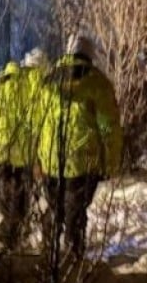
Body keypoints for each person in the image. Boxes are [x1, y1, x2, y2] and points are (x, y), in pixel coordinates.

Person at [37, 35, 122, 256]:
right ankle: (73, 259)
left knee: (56, 210)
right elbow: (108, 127)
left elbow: (38, 122)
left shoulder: (48, 80)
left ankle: (48, 256)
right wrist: (110, 164)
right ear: (90, 55)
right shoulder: (98, 83)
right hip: (82, 161)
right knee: (75, 213)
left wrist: (39, 159)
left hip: (50, 160)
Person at [0, 47, 49, 248]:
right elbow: (40, 126)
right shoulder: (36, 85)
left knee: (3, 207)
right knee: (18, 209)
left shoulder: (2, 81)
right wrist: (40, 161)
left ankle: (3, 247)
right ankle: (12, 249)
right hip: (21, 158)